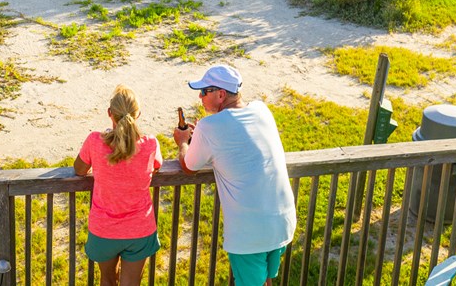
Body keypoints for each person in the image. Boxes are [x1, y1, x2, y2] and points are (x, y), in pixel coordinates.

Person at [172, 65, 296, 286]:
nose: (200, 96)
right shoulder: (261, 109)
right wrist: (203, 133)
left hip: (250, 233)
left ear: (221, 94)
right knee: (266, 280)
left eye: (204, 91)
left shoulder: (210, 126)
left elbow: (188, 167)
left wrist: (183, 141)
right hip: (281, 222)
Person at [74, 84, 163, 286]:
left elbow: (79, 169)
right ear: (138, 114)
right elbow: (157, 165)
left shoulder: (95, 141)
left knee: (107, 280)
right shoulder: (150, 144)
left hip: (103, 229)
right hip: (139, 228)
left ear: (109, 114)